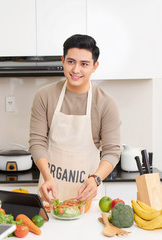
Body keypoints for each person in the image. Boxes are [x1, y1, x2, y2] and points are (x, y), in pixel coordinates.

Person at [29, 34, 121, 203]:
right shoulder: (45, 96)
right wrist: (48, 177)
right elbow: (37, 142)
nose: (76, 70)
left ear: (95, 66)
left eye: (84, 64)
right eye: (71, 61)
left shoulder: (106, 103)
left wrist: (96, 179)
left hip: (87, 197)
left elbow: (112, 152)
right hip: (50, 195)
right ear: (63, 60)